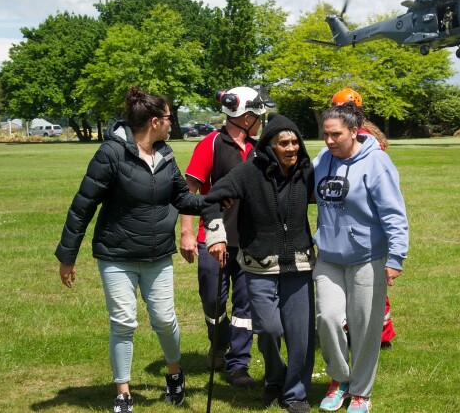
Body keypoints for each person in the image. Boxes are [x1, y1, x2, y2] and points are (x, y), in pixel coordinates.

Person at [55, 86, 206, 412]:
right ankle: (123, 392)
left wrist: (214, 201)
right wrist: (67, 256)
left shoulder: (165, 154)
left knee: (165, 319)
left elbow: (181, 198)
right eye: (168, 117)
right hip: (116, 256)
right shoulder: (111, 154)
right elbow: (82, 206)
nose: (171, 122)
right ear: (154, 121)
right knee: (123, 322)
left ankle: (175, 373)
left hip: (157, 255)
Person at [203, 113, 316, 413]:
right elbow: (212, 198)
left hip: (299, 265)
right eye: (284, 143)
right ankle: (274, 377)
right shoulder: (249, 172)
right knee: (268, 329)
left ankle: (295, 394)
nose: (292, 148)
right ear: (269, 146)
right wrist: (215, 235)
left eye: (295, 142)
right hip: (259, 266)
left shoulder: (307, 171)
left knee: (300, 336)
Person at [313, 102, 409, 413]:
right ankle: (339, 379)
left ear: (355, 132)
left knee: (364, 325)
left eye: (336, 135)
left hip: (368, 257)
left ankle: (361, 391)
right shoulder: (322, 160)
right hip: (328, 256)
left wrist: (396, 257)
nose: (329, 141)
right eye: (325, 134)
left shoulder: (377, 162)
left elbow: (394, 213)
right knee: (327, 318)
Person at [179, 86, 268, 387]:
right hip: (211, 239)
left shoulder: (259, 148)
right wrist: (188, 234)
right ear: (244, 117)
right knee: (212, 300)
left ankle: (238, 365)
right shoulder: (211, 144)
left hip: (249, 242)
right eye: (257, 115)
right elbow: (189, 192)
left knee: (246, 306)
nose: (260, 120)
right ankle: (218, 342)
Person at [331, 88, 395, 349]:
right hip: (369, 212)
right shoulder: (370, 132)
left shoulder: (361, 136)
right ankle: (382, 334)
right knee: (373, 285)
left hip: (359, 213)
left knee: (363, 285)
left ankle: (366, 334)